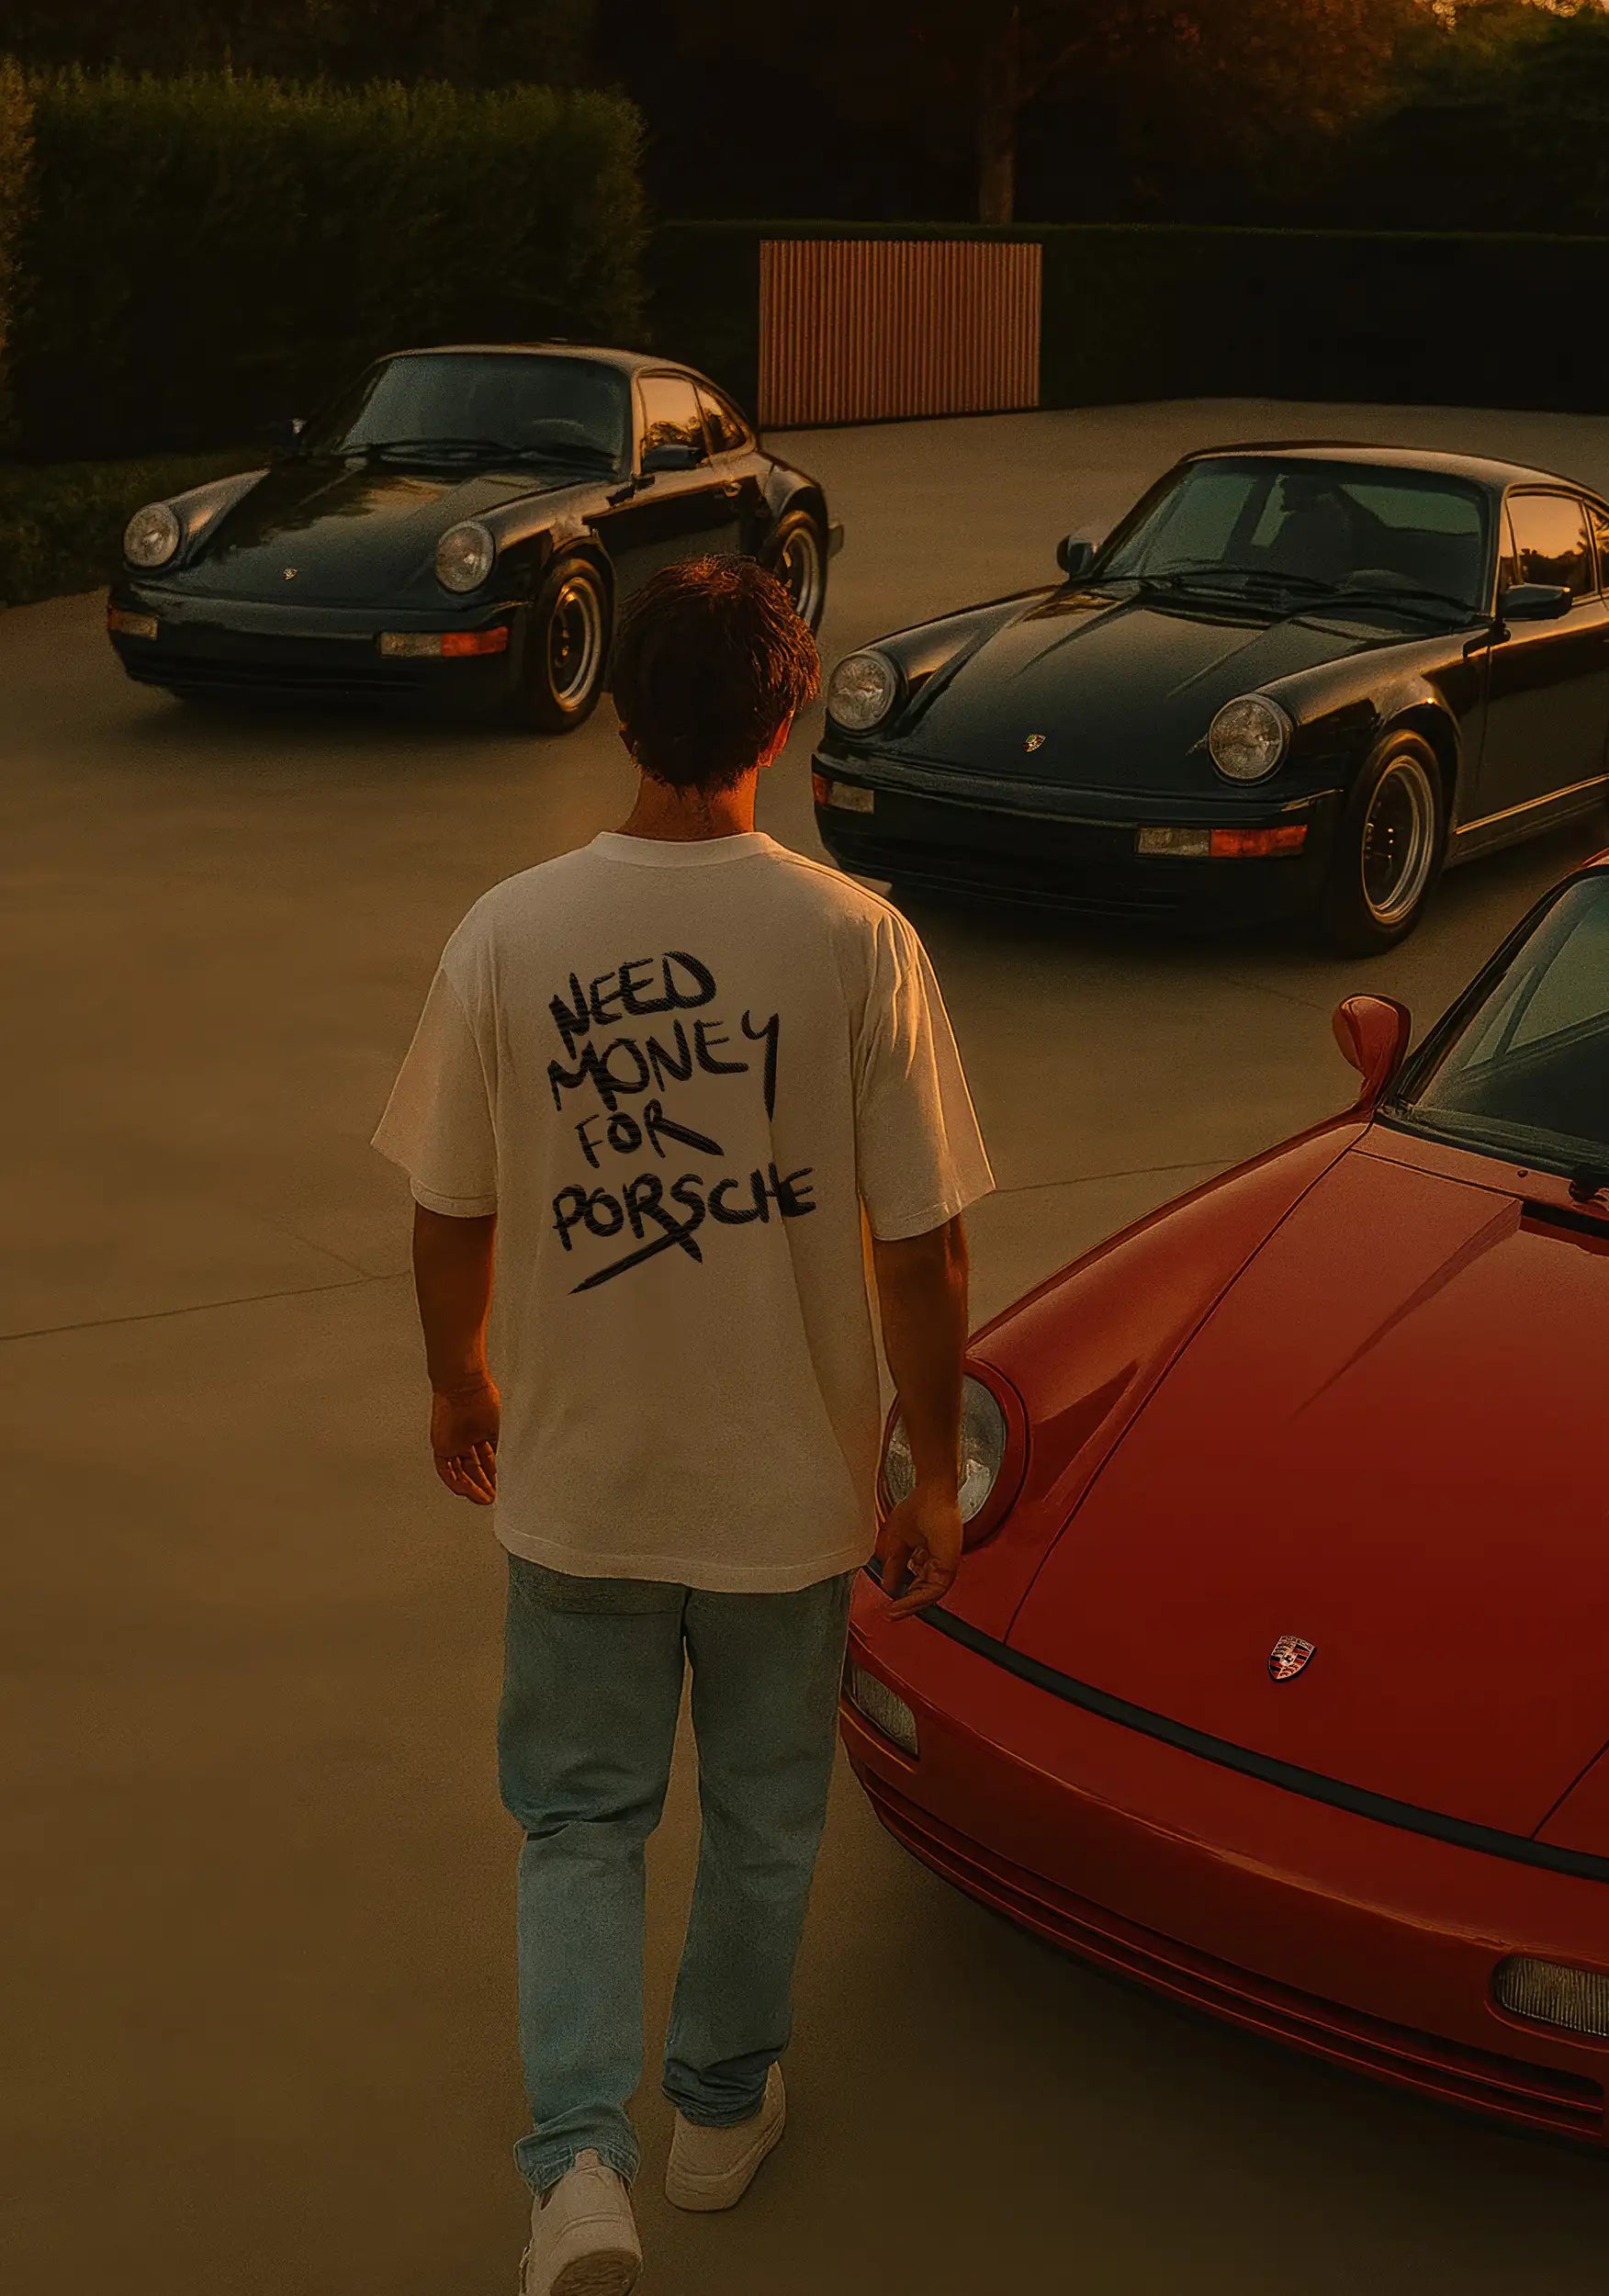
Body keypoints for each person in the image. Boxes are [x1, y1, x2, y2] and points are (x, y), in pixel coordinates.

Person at [372, 556, 993, 2295]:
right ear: (782, 722)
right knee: (766, 1818)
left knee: (580, 1825)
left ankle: (579, 2168)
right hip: (788, 1502)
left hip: (581, 1488)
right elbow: (925, 1247)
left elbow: (449, 1204)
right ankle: (718, 2116)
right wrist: (929, 1470)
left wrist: (460, 1378)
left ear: (621, 715)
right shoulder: (856, 942)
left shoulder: (511, 932)